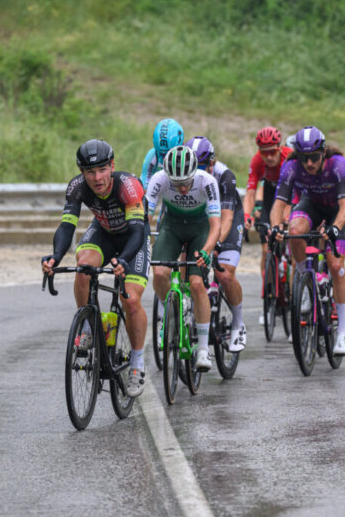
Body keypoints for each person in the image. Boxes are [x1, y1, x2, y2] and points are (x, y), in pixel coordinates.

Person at [42, 139, 151, 397]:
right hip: (102, 232)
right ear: (82, 173)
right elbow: (67, 226)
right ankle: (89, 328)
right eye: (90, 172)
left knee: (132, 300)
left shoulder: (129, 186)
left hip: (132, 239)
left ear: (112, 166)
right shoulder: (77, 187)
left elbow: (137, 233)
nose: (97, 177)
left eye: (102, 170)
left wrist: (123, 260)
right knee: (83, 268)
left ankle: (136, 363)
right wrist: (56, 257)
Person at [270, 126, 345, 355]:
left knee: (336, 266)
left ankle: (343, 333)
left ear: (323, 152)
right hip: (312, 205)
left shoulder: (337, 164)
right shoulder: (291, 166)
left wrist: (335, 228)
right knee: (294, 232)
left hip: (337, 209)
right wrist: (276, 226)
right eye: (305, 158)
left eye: (314, 158)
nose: (309, 164)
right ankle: (305, 280)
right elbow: (279, 203)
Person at [146, 145, 221, 371]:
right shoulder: (159, 179)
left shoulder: (207, 181)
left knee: (197, 284)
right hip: (172, 228)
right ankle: (170, 314)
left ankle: (203, 350)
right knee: (159, 273)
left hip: (200, 230)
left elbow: (216, 224)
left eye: (186, 183)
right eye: (177, 184)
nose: (183, 189)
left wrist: (206, 251)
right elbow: (144, 217)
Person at [188, 136, 247, 352]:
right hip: (201, 218)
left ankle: (238, 323)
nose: (198, 173)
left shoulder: (225, 176)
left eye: (202, 167)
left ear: (212, 163)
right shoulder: (181, 173)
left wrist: (214, 247)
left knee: (224, 274)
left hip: (227, 218)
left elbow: (227, 218)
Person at [243, 126, 294, 316]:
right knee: (266, 249)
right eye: (264, 153)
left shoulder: (289, 158)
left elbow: (295, 193)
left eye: (272, 152)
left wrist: (286, 217)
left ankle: (292, 288)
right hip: (271, 197)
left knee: (290, 236)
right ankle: (269, 291)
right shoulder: (257, 161)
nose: (269, 157)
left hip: (291, 195)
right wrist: (247, 215)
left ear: (280, 148)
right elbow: (250, 192)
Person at [140, 118, 185, 186]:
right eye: (162, 154)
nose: (165, 159)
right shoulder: (153, 154)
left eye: (169, 154)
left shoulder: (187, 157)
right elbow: (145, 179)